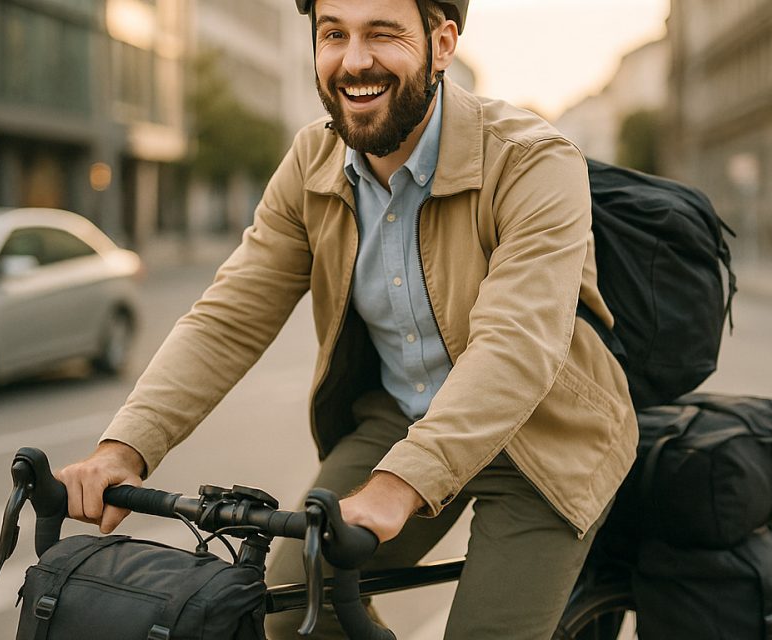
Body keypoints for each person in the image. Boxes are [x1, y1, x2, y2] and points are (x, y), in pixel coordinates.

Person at [56, 0, 638, 637]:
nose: (354, 61)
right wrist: (125, 447)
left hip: (543, 432)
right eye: (333, 34)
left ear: (442, 44)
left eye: (383, 33)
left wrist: (399, 483)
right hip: (403, 415)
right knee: (294, 606)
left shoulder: (532, 159)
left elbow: (516, 346)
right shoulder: (313, 160)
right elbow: (228, 317)